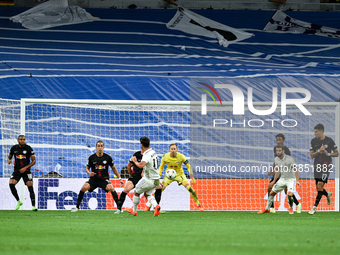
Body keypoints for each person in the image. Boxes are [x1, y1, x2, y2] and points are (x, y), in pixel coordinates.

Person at [145, 143, 203, 212]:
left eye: (174, 149)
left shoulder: (181, 156)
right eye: (172, 149)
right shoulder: (165, 157)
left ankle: (198, 205)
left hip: (180, 175)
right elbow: (161, 167)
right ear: (169, 149)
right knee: (160, 189)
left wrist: (192, 177)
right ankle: (149, 205)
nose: (173, 150)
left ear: (177, 149)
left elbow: (188, 166)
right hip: (169, 175)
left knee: (190, 188)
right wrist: (159, 175)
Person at [71, 140, 124, 212]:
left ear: (104, 147)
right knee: (84, 188)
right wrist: (89, 173)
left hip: (104, 180)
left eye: (101, 146)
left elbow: (114, 168)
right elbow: (86, 168)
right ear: (96, 147)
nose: (100, 147)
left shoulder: (107, 158)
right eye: (98, 146)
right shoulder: (92, 158)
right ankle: (77, 207)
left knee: (111, 188)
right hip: (93, 180)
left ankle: (119, 208)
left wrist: (120, 178)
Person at [258, 145, 301, 214]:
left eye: (279, 150)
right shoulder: (276, 159)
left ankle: (291, 208)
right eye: (277, 151)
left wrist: (297, 180)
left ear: (283, 151)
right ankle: (267, 208)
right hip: (282, 179)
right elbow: (278, 171)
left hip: (290, 179)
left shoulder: (289, 159)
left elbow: (296, 170)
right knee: (271, 192)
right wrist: (274, 181)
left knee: (289, 194)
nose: (278, 152)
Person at [126, 137, 161, 217]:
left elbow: (141, 165)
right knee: (147, 194)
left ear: (141, 145)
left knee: (136, 192)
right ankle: (156, 206)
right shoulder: (153, 152)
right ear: (149, 144)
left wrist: (135, 161)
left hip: (149, 179)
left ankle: (134, 211)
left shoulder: (146, 155)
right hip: (156, 179)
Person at [308, 123, 338, 215]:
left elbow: (337, 153)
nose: (315, 134)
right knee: (318, 187)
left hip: (326, 165)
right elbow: (312, 155)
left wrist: (328, 154)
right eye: (314, 132)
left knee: (320, 185)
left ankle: (314, 207)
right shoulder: (313, 141)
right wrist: (319, 151)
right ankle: (327, 194)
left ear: (321, 131)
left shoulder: (329, 141)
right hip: (317, 165)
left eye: (316, 132)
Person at [267, 134, 301, 213]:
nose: (278, 141)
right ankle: (271, 208)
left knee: (287, 191)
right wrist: (272, 169)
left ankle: (298, 204)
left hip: (285, 174)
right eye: (277, 140)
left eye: (280, 140)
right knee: (270, 187)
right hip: (278, 172)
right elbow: (276, 160)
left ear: (283, 140)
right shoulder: (275, 149)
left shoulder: (286, 150)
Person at [8, 135, 38, 211]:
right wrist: (9, 160)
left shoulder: (28, 148)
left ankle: (34, 206)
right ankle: (18, 201)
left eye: (24, 139)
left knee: (30, 186)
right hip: (17, 171)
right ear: (18, 140)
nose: (22, 141)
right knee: (11, 184)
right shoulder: (14, 148)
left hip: (26, 171)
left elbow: (34, 161)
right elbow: (10, 156)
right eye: (21, 139)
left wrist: (25, 168)